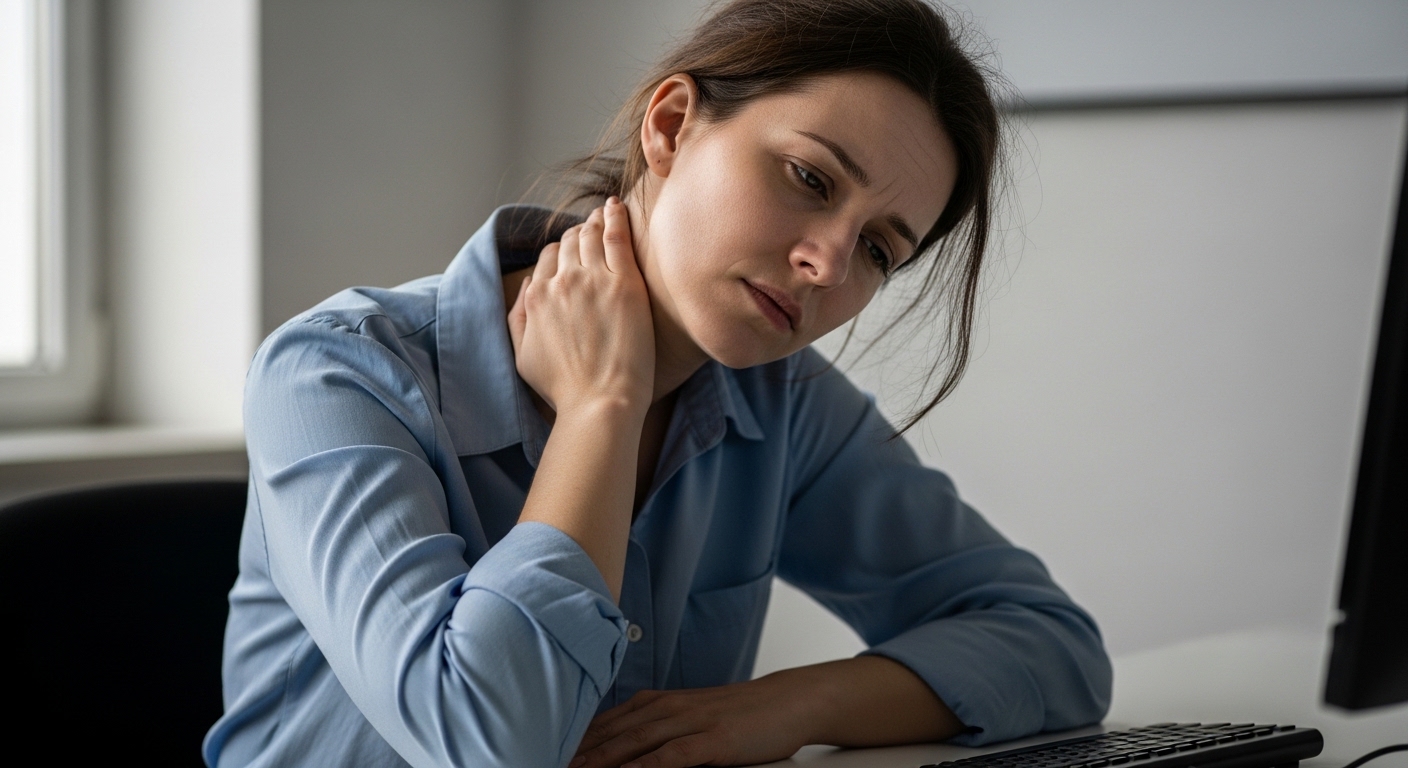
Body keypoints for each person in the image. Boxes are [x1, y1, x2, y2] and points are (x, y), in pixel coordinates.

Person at [203, 1, 1112, 766]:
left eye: (879, 248)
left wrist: (777, 711)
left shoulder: (782, 401)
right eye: (808, 177)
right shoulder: (337, 373)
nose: (827, 263)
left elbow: (1052, 645)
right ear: (672, 125)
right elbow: (492, 738)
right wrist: (602, 409)